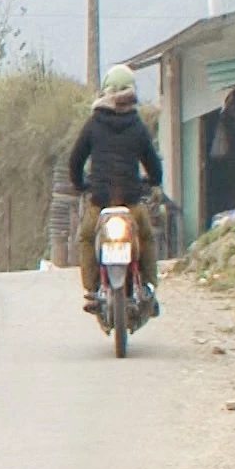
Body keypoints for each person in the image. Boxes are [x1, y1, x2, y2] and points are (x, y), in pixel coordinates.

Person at [68, 63, 163, 315]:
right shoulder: (137, 125)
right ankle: (149, 286)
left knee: (86, 237)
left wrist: (80, 185)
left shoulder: (94, 123)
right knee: (146, 236)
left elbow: (75, 160)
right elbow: (153, 164)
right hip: (131, 202)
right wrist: (152, 181)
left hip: (100, 202)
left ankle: (92, 290)